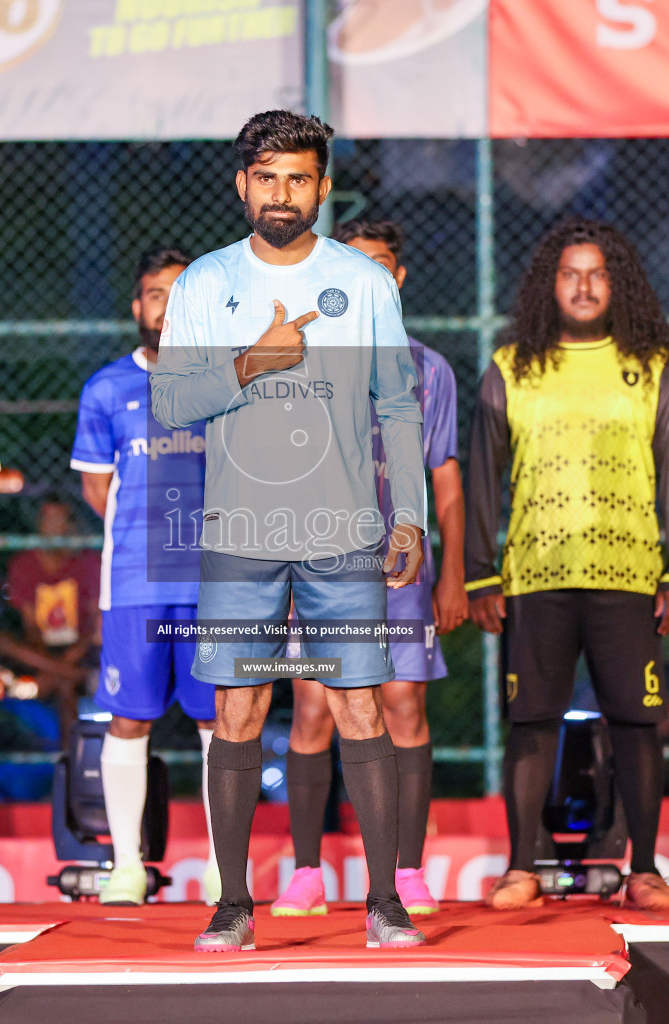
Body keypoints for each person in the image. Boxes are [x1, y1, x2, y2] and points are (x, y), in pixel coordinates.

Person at [150, 110, 429, 952]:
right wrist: (251, 363)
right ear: (242, 185)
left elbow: (398, 404)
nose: (281, 193)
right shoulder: (204, 283)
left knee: (358, 704)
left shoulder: (365, 283)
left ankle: (384, 902)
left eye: (298, 178)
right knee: (238, 708)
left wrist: (409, 512)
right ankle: (233, 904)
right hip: (240, 531)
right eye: (266, 178)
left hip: (344, 527)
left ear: (324, 187)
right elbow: (170, 400)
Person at [466, 217, 669, 913]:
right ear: (550, 285)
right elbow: (482, 477)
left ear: (616, 283)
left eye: (597, 273)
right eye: (570, 274)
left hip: (628, 576)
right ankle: (520, 869)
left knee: (637, 723)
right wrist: (481, 572)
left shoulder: (651, 367)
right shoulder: (513, 367)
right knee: (531, 722)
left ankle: (647, 869)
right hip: (536, 577)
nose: (584, 286)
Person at [274, 219, 466, 918]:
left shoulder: (429, 368)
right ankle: (306, 873)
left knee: (403, 704)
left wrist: (452, 574)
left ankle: (407, 871)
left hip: (402, 569)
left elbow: (444, 476)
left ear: (398, 278)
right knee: (312, 709)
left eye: (381, 265)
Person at [69, 247, 223, 906]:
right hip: (134, 585)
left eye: (180, 293)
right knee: (128, 720)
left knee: (222, 725)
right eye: (156, 293)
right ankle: (126, 867)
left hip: (217, 582)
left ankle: (226, 866)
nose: (167, 305)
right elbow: (97, 489)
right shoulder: (107, 388)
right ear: (138, 307)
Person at [0, 498, 102, 731]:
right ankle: (72, 675)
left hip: (80, 648)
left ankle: (70, 758)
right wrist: (56, 665)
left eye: (59, 519)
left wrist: (58, 667)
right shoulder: (24, 563)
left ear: (71, 524)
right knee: (4, 641)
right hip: (40, 649)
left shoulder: (89, 561)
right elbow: (30, 626)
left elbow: (95, 625)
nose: (53, 526)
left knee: (66, 685)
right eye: (47, 519)